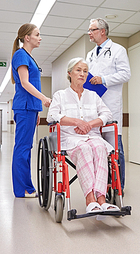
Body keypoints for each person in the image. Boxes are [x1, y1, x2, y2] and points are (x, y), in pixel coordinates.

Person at [47, 57, 120, 215]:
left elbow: (107, 113)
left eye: (85, 71)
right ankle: (90, 199)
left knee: (100, 147)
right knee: (85, 148)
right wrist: (76, 122)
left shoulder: (93, 96)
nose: (82, 74)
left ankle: (101, 199)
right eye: (78, 70)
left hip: (93, 136)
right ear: (70, 73)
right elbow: (52, 116)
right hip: (70, 139)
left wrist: (89, 125)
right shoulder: (60, 95)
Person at [85, 18, 131, 191]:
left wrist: (103, 79)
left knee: (115, 149)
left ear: (102, 31)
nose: (89, 33)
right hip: (93, 107)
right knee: (97, 149)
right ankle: (101, 185)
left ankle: (119, 187)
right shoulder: (90, 54)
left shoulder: (118, 50)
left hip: (110, 105)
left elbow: (126, 74)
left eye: (92, 29)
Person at [11, 23, 52, 198]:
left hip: (30, 108)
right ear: (27, 38)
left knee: (26, 148)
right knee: (22, 148)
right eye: (37, 34)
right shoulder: (21, 55)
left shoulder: (28, 56)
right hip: (25, 107)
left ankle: (27, 187)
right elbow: (25, 83)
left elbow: (31, 83)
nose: (40, 37)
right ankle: (23, 189)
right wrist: (43, 98)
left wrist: (38, 110)